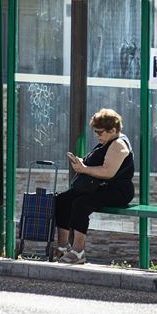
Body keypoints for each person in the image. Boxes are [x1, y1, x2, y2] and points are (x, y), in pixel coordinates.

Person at [55, 108, 135, 264]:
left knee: (81, 203)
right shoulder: (105, 142)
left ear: (113, 130)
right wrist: (81, 162)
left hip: (117, 191)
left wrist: (84, 169)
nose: (97, 135)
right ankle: (63, 247)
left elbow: (108, 172)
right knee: (63, 199)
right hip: (99, 187)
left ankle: (78, 252)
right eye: (95, 132)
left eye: (100, 132)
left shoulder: (119, 144)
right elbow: (94, 163)